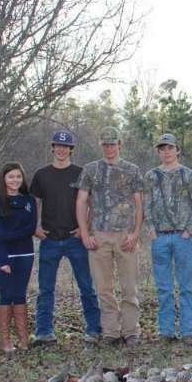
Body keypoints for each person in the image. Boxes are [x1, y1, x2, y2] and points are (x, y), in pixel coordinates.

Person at [76, 127, 144, 349]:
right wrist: (85, 233)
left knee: (129, 287)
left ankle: (131, 331)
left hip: (125, 236)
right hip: (99, 235)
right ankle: (111, 332)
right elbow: (81, 202)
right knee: (104, 288)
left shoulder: (132, 170)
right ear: (101, 145)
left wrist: (136, 233)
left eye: (112, 144)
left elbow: (139, 203)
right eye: (105, 144)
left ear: (120, 144)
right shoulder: (90, 169)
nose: (109, 148)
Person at [30, 130, 101, 345]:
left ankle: (94, 329)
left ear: (71, 149)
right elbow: (34, 203)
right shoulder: (42, 174)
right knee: (45, 289)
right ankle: (44, 332)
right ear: (52, 147)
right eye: (58, 146)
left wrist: (85, 228)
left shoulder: (81, 173)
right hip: (50, 239)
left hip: (75, 239)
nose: (61, 149)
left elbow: (92, 204)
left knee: (86, 286)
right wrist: (35, 227)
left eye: (66, 146)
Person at [144, 133, 192, 346]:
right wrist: (150, 229)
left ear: (177, 150)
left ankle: (188, 331)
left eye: (170, 148)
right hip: (159, 237)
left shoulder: (188, 175)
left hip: (182, 237)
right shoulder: (151, 176)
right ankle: (166, 331)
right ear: (158, 152)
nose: (166, 152)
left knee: (186, 286)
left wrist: (189, 230)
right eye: (162, 148)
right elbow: (147, 203)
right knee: (164, 288)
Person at [0, 162, 37, 353]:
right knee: (6, 295)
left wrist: (4, 237)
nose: (15, 180)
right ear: (4, 179)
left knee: (20, 294)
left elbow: (30, 229)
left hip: (25, 254)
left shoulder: (29, 200)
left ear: (22, 178)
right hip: (3, 255)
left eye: (18, 176)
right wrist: (3, 259)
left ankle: (23, 340)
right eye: (11, 177)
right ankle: (5, 342)